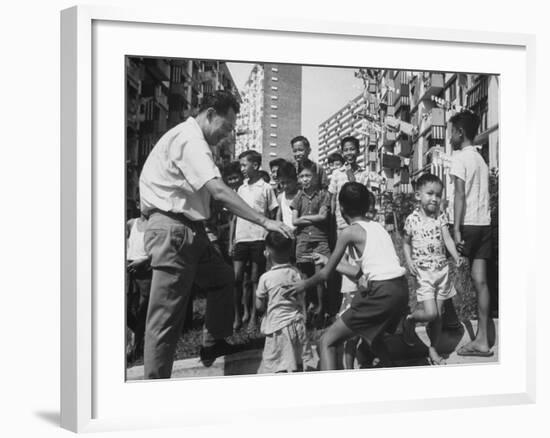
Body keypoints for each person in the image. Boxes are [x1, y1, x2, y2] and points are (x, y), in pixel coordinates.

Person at [139, 91, 292, 379]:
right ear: (210, 113)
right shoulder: (191, 139)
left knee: (223, 279)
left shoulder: (193, 139)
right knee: (165, 319)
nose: (227, 134)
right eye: (227, 126)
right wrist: (264, 221)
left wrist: (205, 229)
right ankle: (154, 385)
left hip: (189, 229)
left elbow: (196, 197)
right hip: (173, 229)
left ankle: (213, 343)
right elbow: (219, 192)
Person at [284, 182, 409, 370]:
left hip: (381, 292)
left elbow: (325, 275)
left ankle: (333, 395)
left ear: (341, 208)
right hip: (400, 289)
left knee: (326, 341)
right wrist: (328, 260)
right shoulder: (378, 227)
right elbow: (362, 273)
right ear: (367, 205)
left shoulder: (348, 232)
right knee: (373, 337)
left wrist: (303, 285)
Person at [401, 173, 463, 365]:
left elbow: (447, 239)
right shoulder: (412, 220)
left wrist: (455, 256)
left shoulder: (440, 216)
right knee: (431, 313)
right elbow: (405, 243)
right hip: (424, 274)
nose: (434, 199)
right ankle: (410, 319)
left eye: (438, 195)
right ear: (418, 195)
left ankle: (433, 350)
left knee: (438, 317)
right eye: (430, 194)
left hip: (442, 272)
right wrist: (409, 260)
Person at [448, 110, 494, 357]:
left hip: (467, 224)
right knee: (481, 281)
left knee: (446, 275)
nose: (449, 136)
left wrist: (455, 229)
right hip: (484, 224)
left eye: (451, 132)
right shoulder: (481, 159)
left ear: (460, 132)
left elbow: (458, 195)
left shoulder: (459, 158)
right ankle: (483, 341)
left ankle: (445, 331)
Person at [255, 232, 318, 373]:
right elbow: (301, 298)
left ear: (268, 252)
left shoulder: (266, 278)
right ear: (290, 250)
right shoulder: (296, 272)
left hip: (277, 328)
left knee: (277, 365)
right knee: (297, 363)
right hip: (297, 325)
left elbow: (259, 306)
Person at [233, 150, 279, 331]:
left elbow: (273, 213)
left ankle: (253, 316)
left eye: (245, 165)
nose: (242, 169)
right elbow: (235, 216)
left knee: (254, 278)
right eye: (241, 165)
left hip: (259, 237)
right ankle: (237, 316)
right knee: (237, 279)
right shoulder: (241, 188)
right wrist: (232, 240)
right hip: (241, 238)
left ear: (256, 165)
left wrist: (269, 238)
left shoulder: (266, 188)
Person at [327, 136, 370, 328]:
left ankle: (362, 299)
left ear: (358, 151)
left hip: (359, 223)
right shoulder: (337, 174)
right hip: (341, 224)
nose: (349, 153)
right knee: (344, 262)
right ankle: (346, 304)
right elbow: (331, 200)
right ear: (342, 152)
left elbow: (367, 197)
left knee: (359, 261)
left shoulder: (365, 173)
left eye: (353, 149)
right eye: (346, 150)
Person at [291, 161, 331, 324]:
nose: (305, 179)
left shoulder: (323, 195)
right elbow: (294, 221)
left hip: (319, 241)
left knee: (320, 278)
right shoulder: (298, 197)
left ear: (315, 177)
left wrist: (303, 218)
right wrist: (304, 220)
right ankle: (306, 315)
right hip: (303, 242)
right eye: (302, 176)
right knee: (305, 279)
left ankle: (321, 311)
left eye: (308, 175)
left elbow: (323, 217)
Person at [126, 201, 152, 361]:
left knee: (143, 309)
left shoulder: (154, 225)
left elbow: (158, 249)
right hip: (129, 268)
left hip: (145, 268)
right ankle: (141, 334)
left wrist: (143, 261)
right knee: (127, 309)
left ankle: (138, 347)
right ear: (137, 205)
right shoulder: (131, 223)